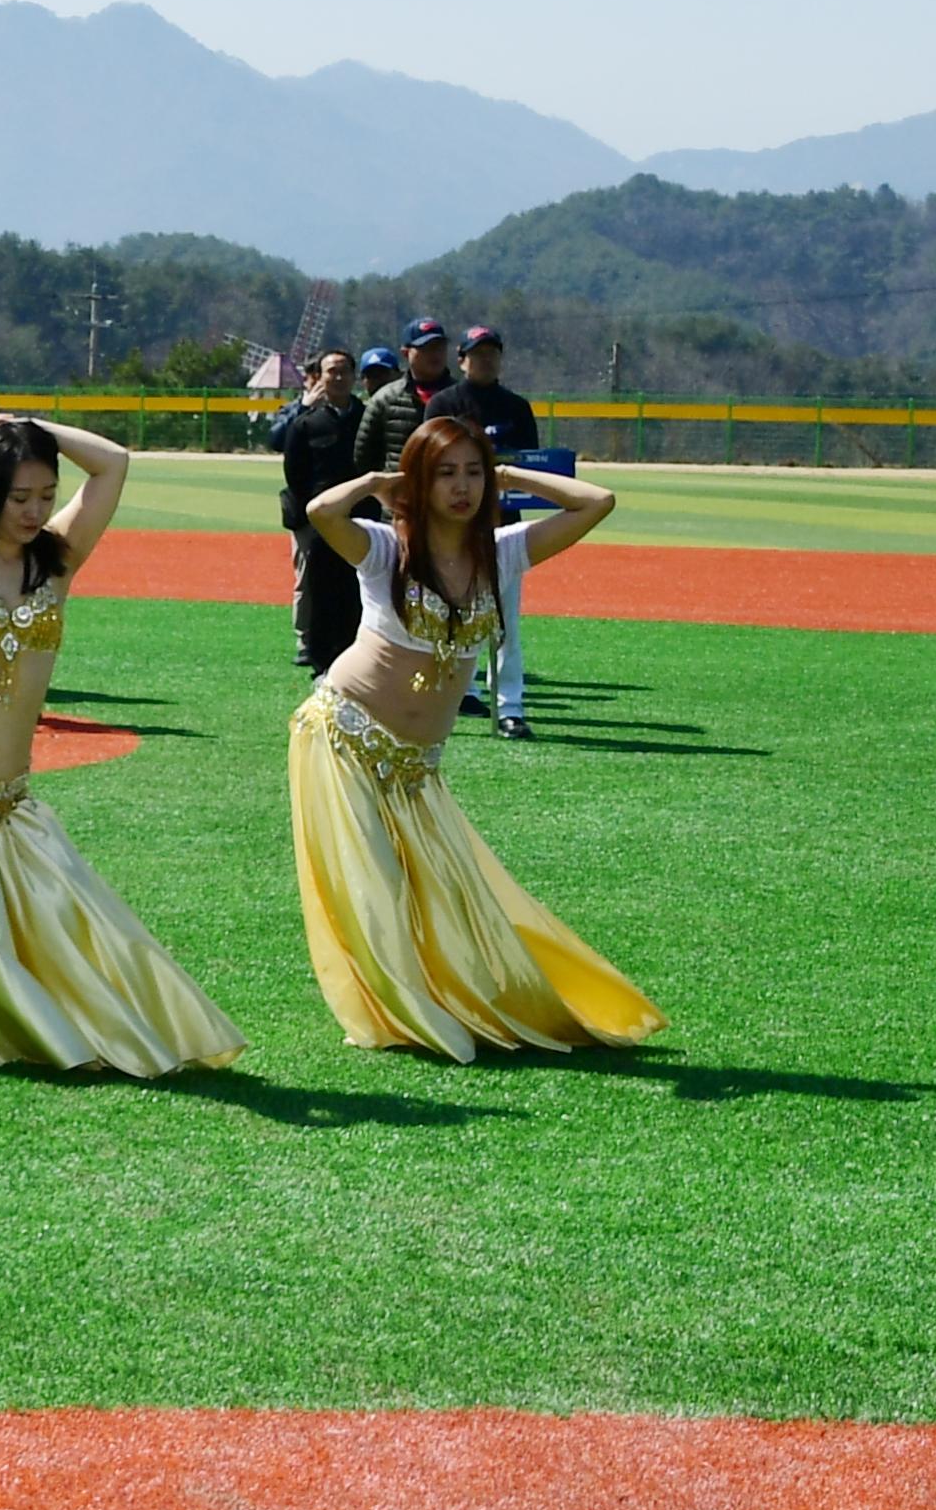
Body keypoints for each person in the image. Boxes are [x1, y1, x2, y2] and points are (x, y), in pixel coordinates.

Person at [0, 414, 241, 1077]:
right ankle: (10, 1034)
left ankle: (42, 1031)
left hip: (9, 799)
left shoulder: (55, 558)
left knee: (79, 932)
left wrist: (35, 429)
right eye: (18, 496)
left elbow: (113, 460)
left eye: (45, 496)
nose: (35, 511)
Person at [294, 419, 658, 1060]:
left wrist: (512, 475)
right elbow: (322, 512)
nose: (461, 487)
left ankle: (442, 998)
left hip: (416, 767)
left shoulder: (504, 552)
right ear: (419, 481)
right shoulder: (386, 549)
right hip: (344, 736)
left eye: (472, 472)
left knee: (442, 898)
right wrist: (379, 483)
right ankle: (404, 1014)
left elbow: (597, 502)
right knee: (374, 887)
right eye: (444, 473)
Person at [424, 325, 545, 734]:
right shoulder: (444, 403)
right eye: (478, 353)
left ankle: (510, 706)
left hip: (502, 529)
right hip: (453, 529)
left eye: (493, 353)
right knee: (451, 614)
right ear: (462, 359)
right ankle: (461, 692)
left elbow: (531, 469)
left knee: (506, 620)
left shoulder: (516, 407)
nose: (486, 360)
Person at [277, 349, 369, 676]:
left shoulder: (366, 417)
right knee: (319, 587)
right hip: (319, 521)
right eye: (332, 372)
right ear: (321, 377)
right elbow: (294, 471)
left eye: (345, 371)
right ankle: (318, 658)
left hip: (361, 518)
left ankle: (358, 652)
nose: (339, 377)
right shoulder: (306, 422)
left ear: (354, 376)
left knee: (357, 586)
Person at [351, 316, 456, 479]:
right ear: (406, 353)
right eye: (426, 348)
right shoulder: (385, 399)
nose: (435, 354)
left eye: (440, 347)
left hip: (451, 494)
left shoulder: (461, 396)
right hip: (400, 498)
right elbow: (364, 457)